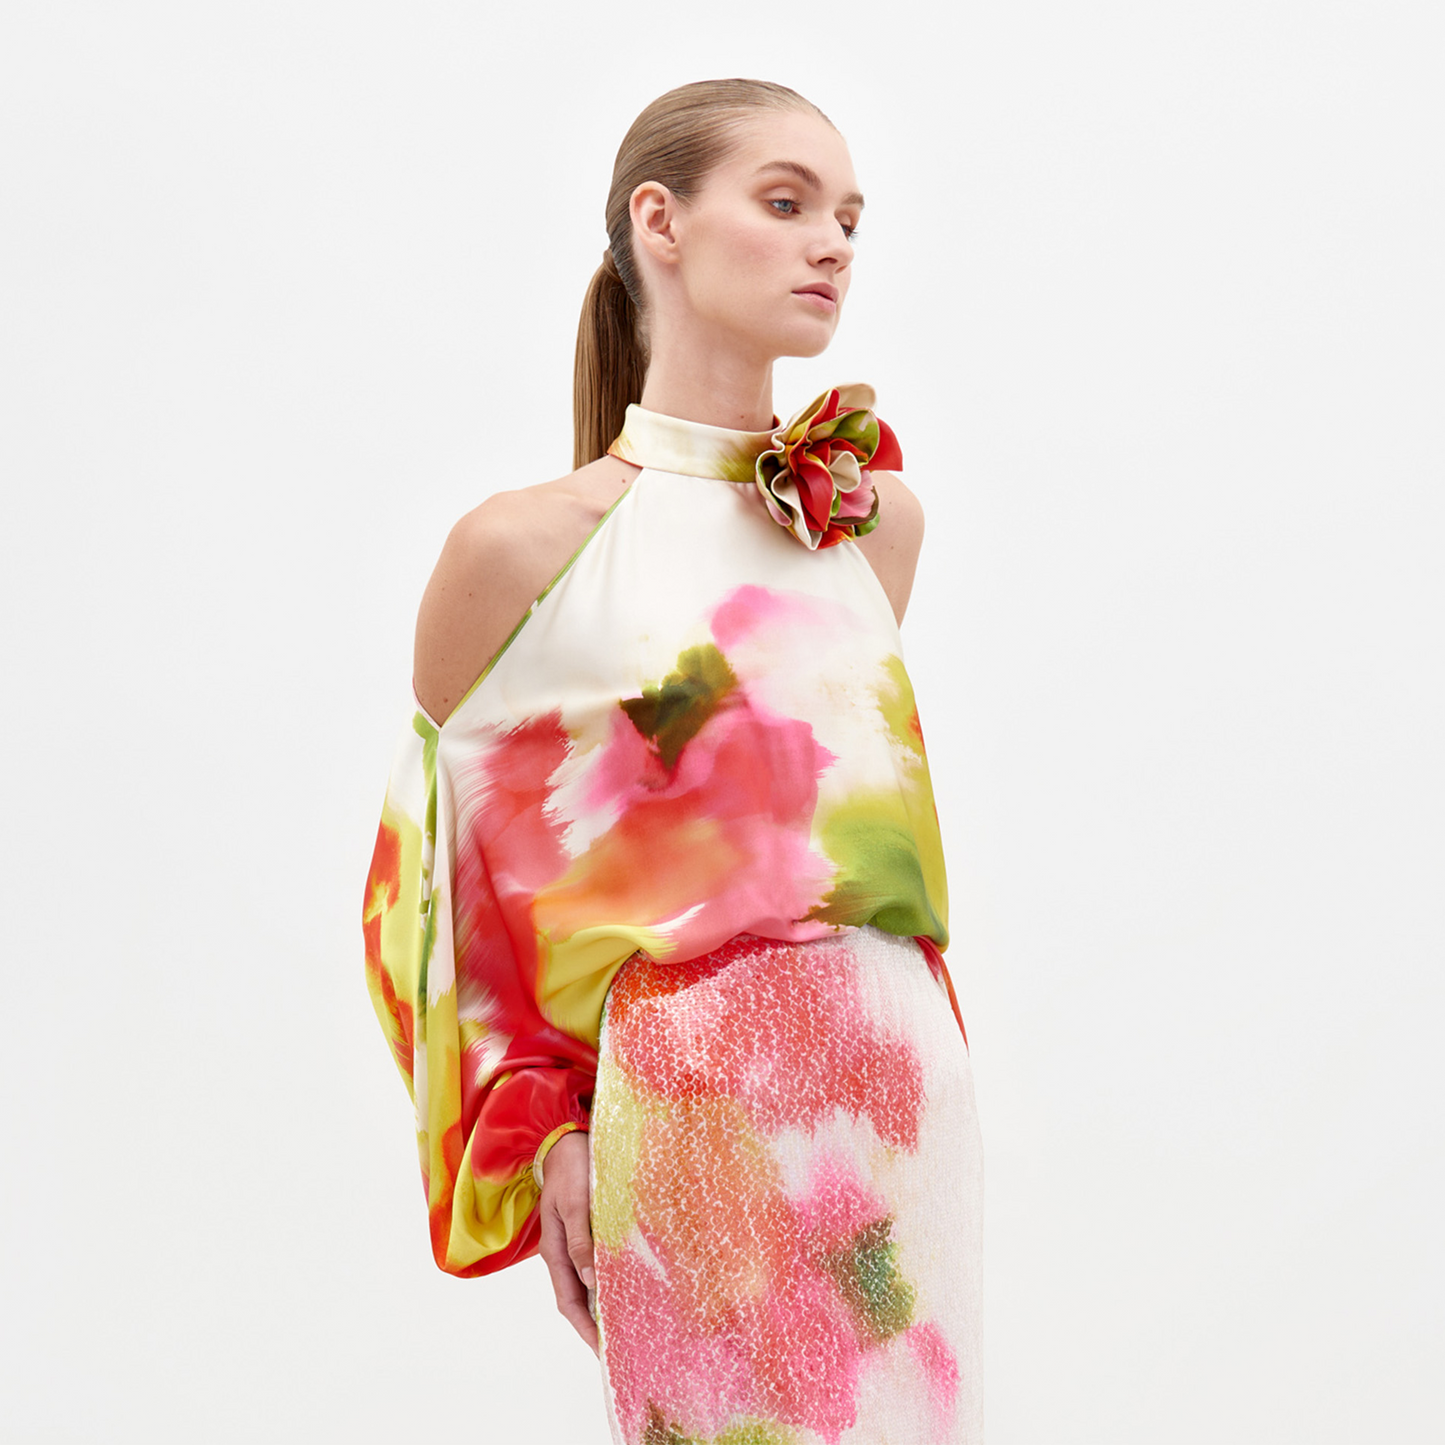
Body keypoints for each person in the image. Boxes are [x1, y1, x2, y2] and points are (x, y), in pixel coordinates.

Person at [363, 77, 984, 1444]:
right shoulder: (521, 554)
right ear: (662, 221)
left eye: (848, 219)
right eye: (785, 203)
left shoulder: (869, 529)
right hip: (695, 1102)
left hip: (902, 1097)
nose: (832, 243)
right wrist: (547, 1137)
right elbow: (439, 900)